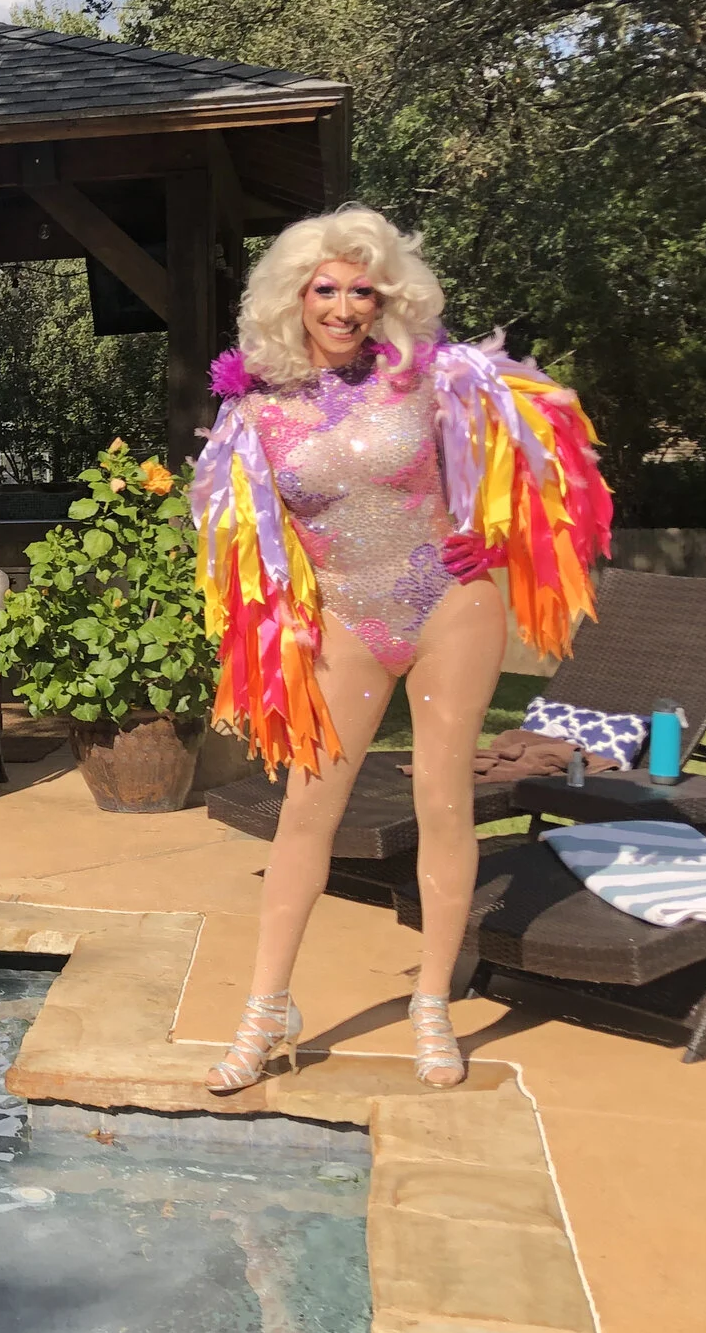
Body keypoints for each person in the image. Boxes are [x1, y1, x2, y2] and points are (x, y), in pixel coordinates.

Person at [190, 205, 613, 1092]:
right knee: (307, 813)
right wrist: (283, 619)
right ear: (293, 298)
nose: (344, 305)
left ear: (387, 294)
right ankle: (266, 1006)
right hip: (347, 621)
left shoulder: (433, 377)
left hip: (450, 607)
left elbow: (545, 448)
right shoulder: (255, 413)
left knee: (442, 796)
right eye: (325, 289)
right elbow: (247, 540)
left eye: (361, 288)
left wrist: (496, 536)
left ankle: (430, 1005)